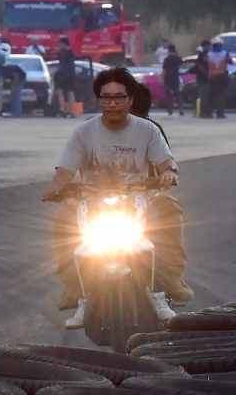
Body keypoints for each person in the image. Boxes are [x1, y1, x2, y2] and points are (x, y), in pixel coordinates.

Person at [43, 67, 192, 328]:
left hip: (139, 198)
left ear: (130, 100)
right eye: (106, 98)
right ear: (98, 100)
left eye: (119, 97)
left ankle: (166, 286)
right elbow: (64, 171)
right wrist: (55, 186)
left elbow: (166, 162)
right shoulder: (84, 132)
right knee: (62, 219)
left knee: (168, 207)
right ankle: (77, 292)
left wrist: (168, 173)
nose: (112, 103)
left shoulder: (148, 130)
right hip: (91, 202)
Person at [205, 36, 233, 119]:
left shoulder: (208, 54)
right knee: (221, 96)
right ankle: (219, 113)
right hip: (222, 76)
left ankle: (208, 113)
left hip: (212, 77)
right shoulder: (226, 53)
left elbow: (205, 61)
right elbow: (230, 61)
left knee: (211, 96)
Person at [54, 36, 76, 118]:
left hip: (69, 75)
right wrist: (58, 53)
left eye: (60, 44)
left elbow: (67, 65)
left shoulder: (70, 53)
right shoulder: (63, 53)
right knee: (59, 91)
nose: (59, 46)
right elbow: (61, 63)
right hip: (63, 75)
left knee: (69, 92)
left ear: (64, 44)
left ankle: (71, 111)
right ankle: (62, 110)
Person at [161, 44, 184, 116]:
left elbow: (164, 70)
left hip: (168, 79)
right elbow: (181, 63)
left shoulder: (167, 59)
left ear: (168, 50)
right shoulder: (178, 58)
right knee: (178, 94)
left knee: (168, 95)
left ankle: (170, 110)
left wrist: (161, 78)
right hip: (176, 78)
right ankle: (181, 109)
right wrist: (177, 53)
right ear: (174, 50)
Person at [194, 40, 211, 118]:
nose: (207, 47)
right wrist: (207, 74)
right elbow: (200, 66)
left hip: (207, 79)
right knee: (203, 96)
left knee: (206, 95)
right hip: (202, 79)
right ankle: (202, 112)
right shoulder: (201, 55)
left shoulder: (209, 54)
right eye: (206, 46)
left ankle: (204, 112)